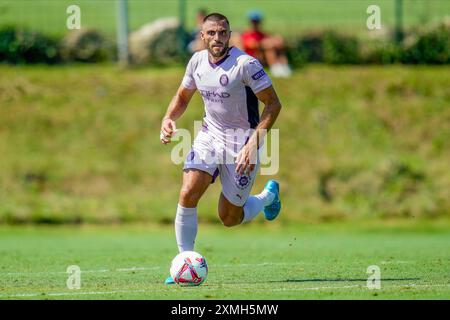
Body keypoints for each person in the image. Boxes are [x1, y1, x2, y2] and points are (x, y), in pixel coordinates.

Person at [160, 13, 282, 284]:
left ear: (229, 35)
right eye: (211, 33)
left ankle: (266, 198)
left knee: (229, 217)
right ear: (202, 36)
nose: (217, 38)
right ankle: (184, 263)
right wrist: (169, 118)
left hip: (243, 144)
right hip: (209, 137)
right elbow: (182, 96)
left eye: (223, 33)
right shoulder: (196, 62)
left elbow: (273, 104)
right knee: (188, 191)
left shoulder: (246, 65)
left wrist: (254, 143)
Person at [241, 10, 292, 78]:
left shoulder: (263, 34)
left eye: (257, 22)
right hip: (252, 59)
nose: (255, 24)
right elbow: (250, 44)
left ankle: (283, 66)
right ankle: (275, 69)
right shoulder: (247, 34)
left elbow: (273, 41)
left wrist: (276, 41)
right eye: (254, 22)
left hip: (262, 57)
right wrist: (265, 44)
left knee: (277, 49)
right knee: (269, 50)